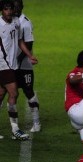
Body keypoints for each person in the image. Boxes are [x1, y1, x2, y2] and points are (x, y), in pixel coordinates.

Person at [0, 0, 37, 140]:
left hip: (13, 64)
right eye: (6, 9)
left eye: (11, 9)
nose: (9, 11)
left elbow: (20, 41)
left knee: (1, 94)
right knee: (14, 93)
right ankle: (15, 130)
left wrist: (30, 55)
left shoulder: (16, 22)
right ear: (2, 10)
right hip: (3, 64)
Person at [13, 0, 41, 132]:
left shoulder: (26, 23)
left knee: (28, 91)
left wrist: (17, 61)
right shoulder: (7, 21)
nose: (16, 9)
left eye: (19, 6)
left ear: (22, 7)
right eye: (14, 6)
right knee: (3, 92)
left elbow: (28, 45)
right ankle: (14, 126)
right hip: (9, 65)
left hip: (24, 66)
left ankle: (36, 123)